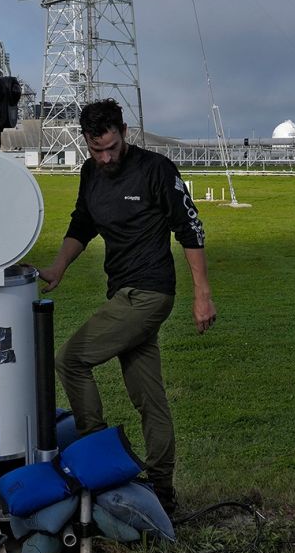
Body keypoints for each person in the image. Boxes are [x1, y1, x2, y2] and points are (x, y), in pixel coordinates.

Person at [39, 99, 217, 517]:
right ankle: (162, 489)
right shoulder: (90, 173)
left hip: (149, 293)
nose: (106, 157)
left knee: (72, 360)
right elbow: (82, 223)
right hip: (121, 292)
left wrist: (202, 294)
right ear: (85, 141)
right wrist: (58, 267)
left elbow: (189, 228)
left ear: (125, 132)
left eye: (112, 147)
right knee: (149, 398)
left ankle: (95, 458)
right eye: (96, 149)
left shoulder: (156, 169)